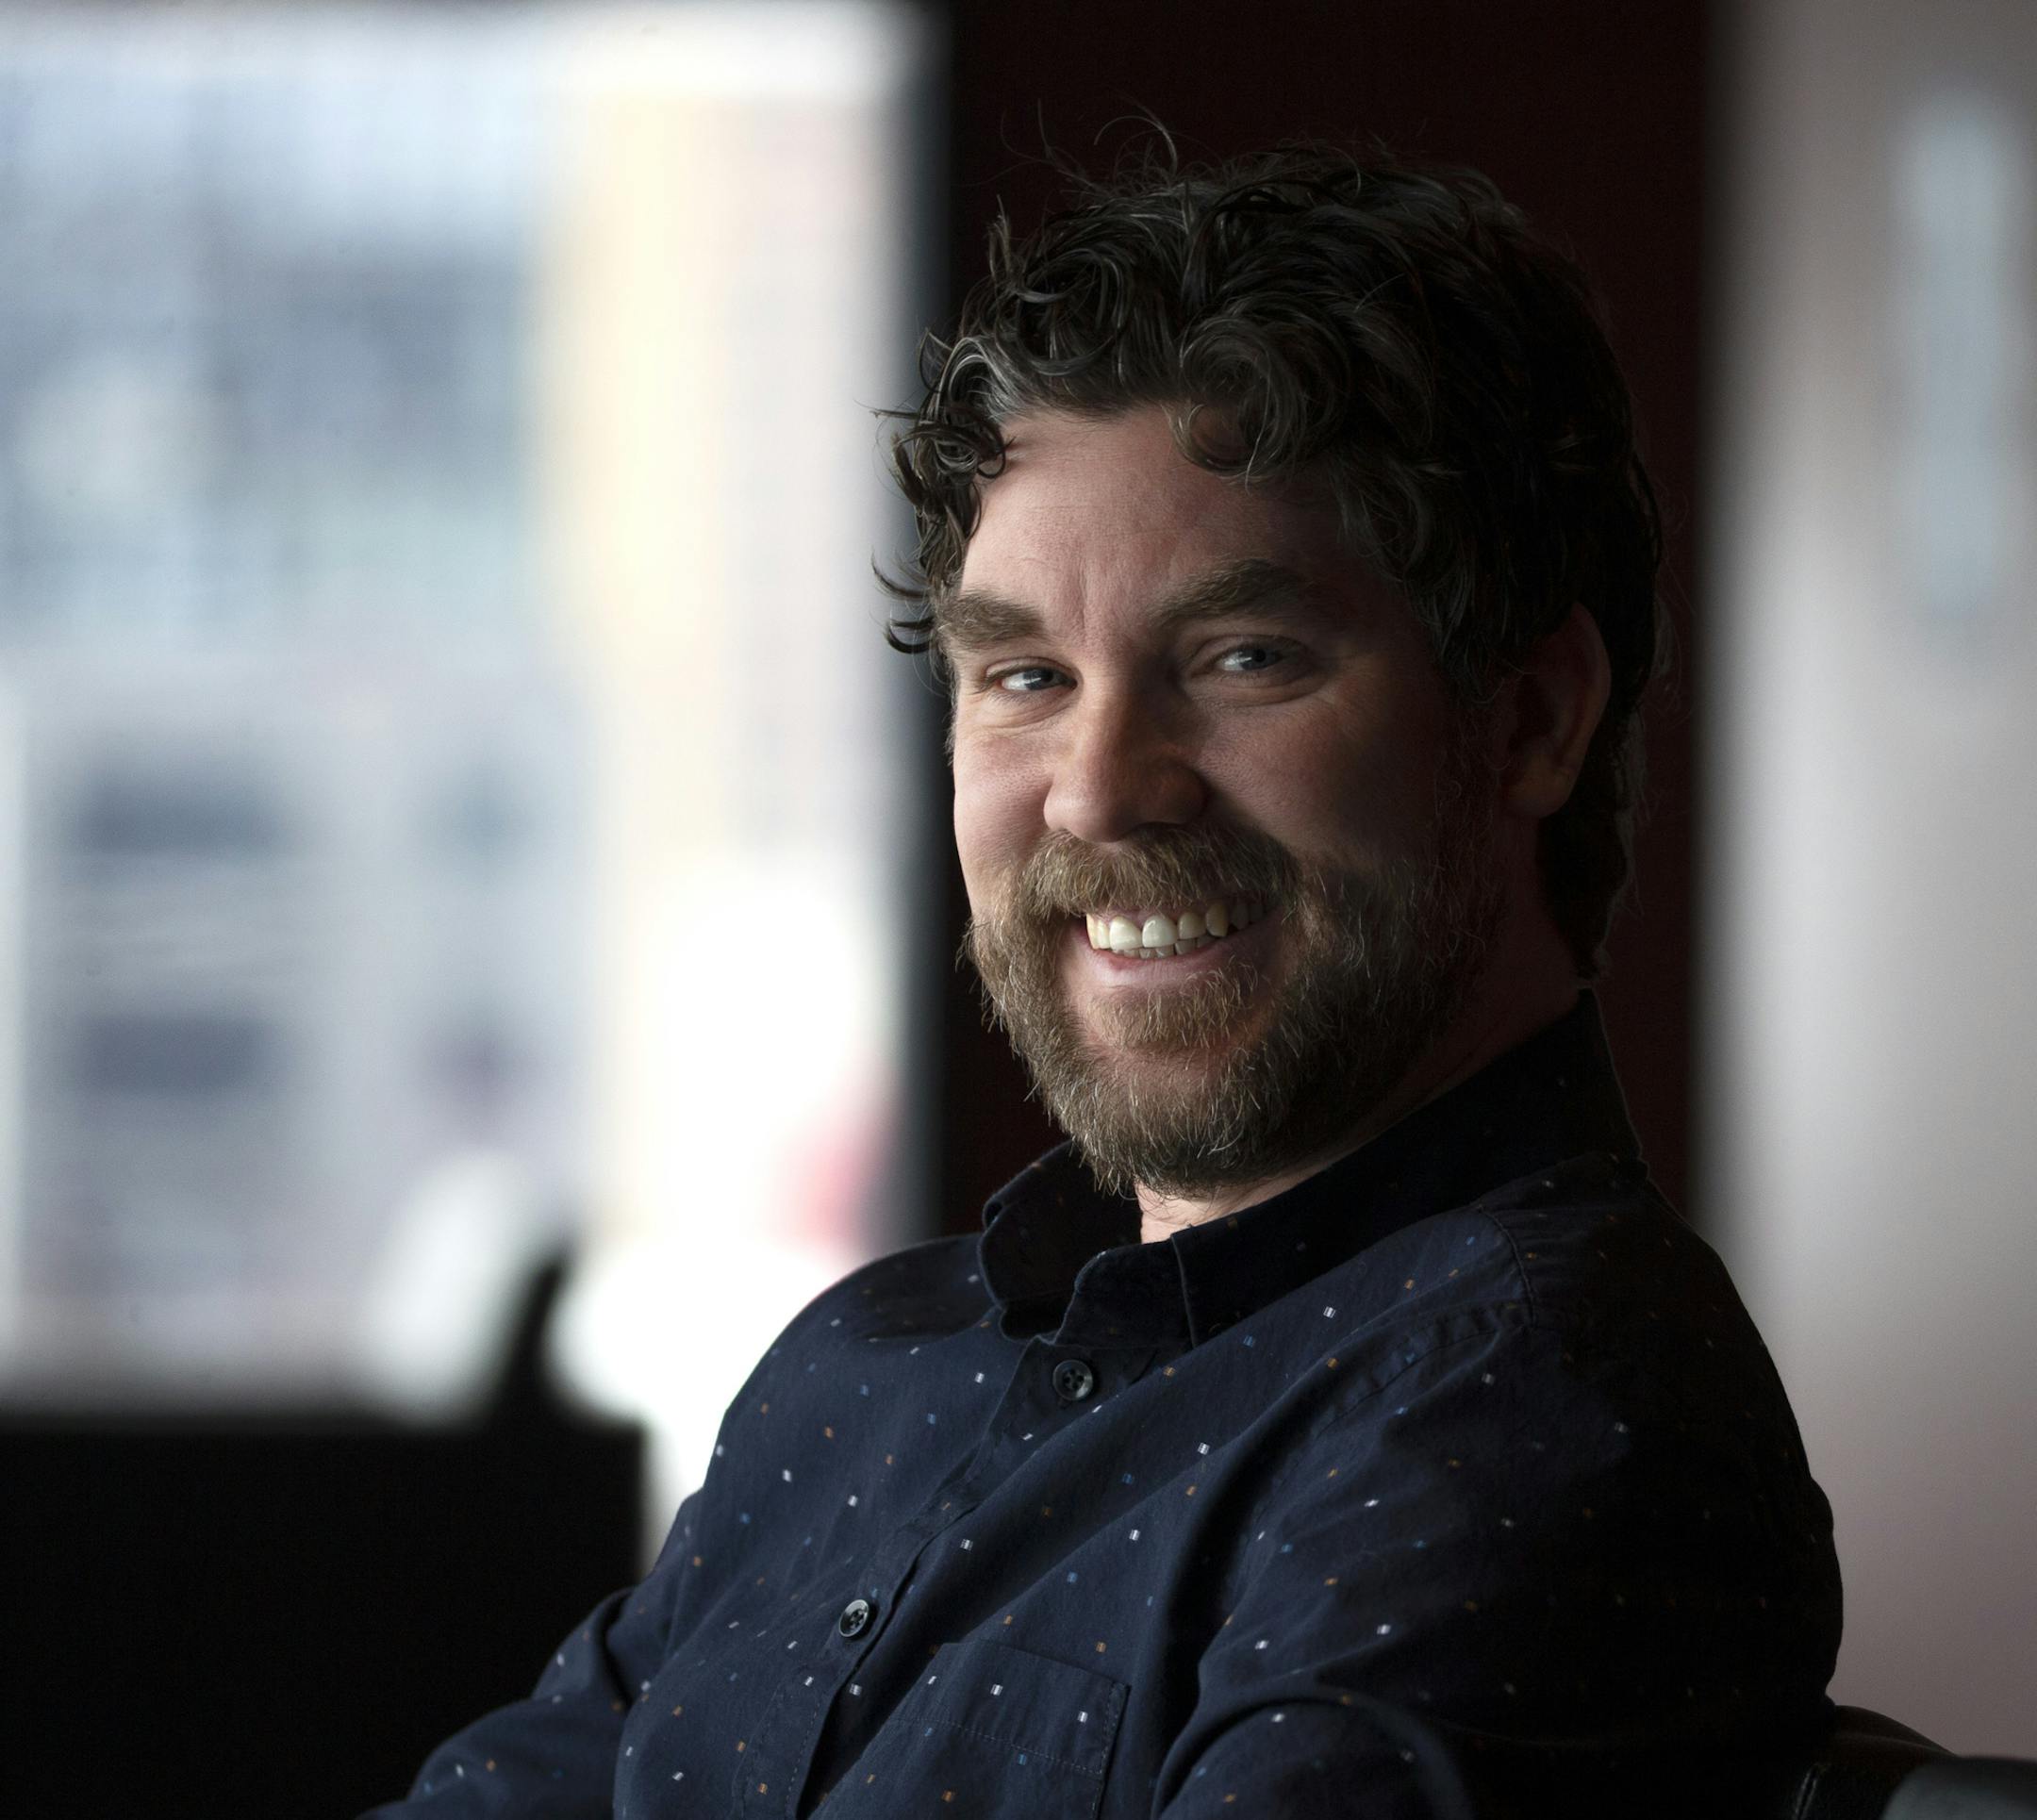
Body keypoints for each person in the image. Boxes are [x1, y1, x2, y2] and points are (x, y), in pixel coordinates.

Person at [364, 141, 1841, 1818]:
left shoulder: (1536, 1404)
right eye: (1023, 674)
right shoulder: (863, 1374)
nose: (1093, 786)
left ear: (1530, 719)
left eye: (1241, 657)